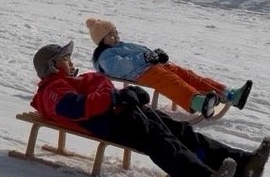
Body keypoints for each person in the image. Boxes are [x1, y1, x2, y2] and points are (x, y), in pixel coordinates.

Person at [31, 41, 270, 177]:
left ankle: (245, 165)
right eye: (65, 58)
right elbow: (76, 107)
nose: (71, 61)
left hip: (122, 112)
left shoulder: (72, 81)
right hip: (110, 123)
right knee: (161, 141)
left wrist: (129, 95)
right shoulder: (52, 90)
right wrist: (117, 96)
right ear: (51, 66)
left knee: (182, 131)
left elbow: (97, 94)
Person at [85, 17, 252, 119]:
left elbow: (143, 52)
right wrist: (145, 58)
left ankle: (228, 94)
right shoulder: (105, 56)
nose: (116, 36)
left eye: (116, 32)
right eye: (111, 35)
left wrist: (156, 55)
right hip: (141, 73)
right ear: (101, 40)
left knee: (187, 75)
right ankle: (198, 102)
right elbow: (120, 67)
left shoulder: (121, 45)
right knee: (172, 82)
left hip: (152, 66)